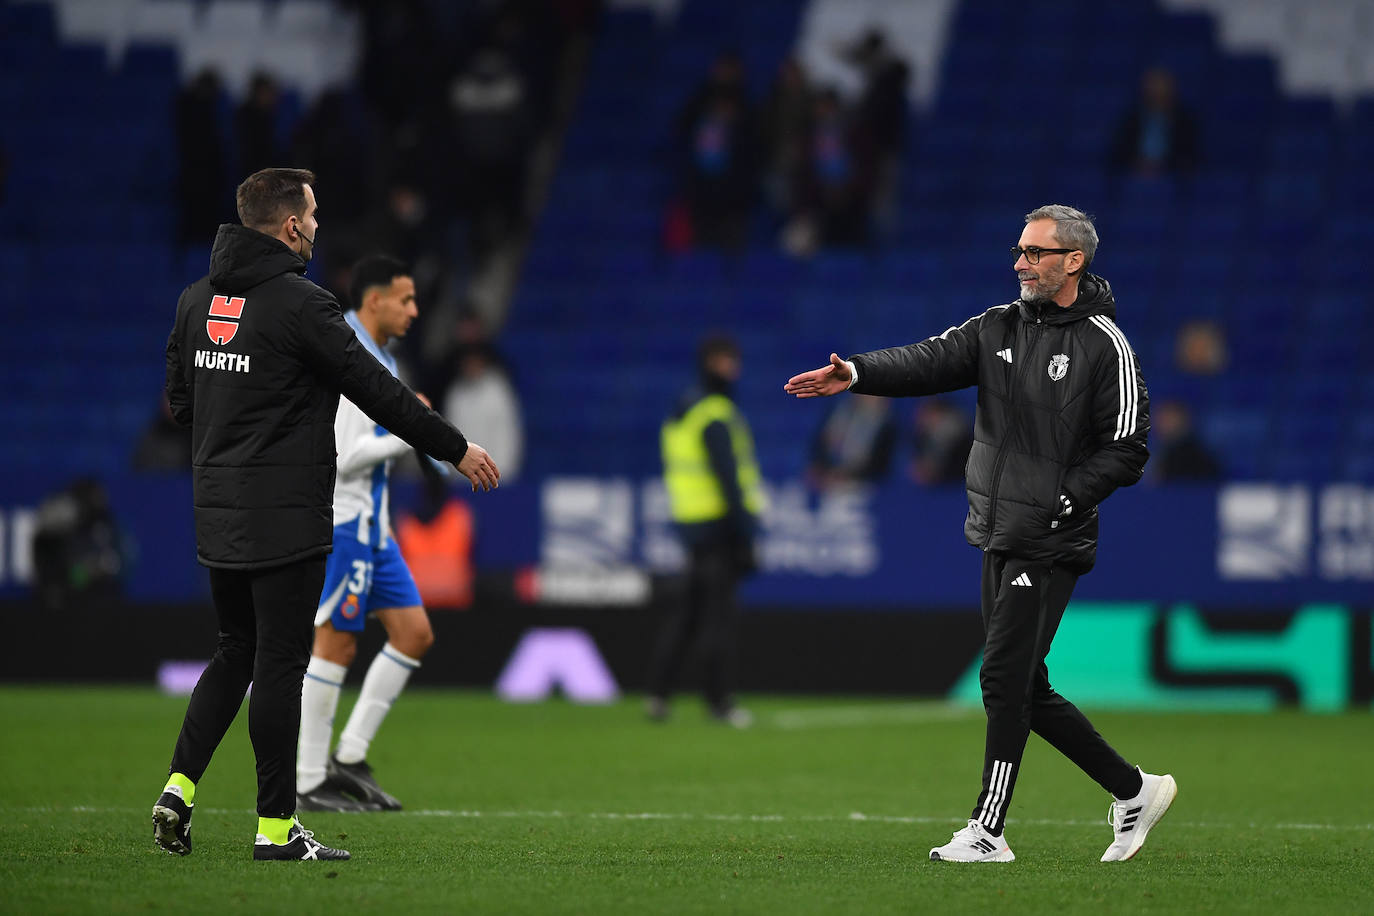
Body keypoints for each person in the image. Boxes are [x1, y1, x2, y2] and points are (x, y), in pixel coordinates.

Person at [784, 205, 1176, 863]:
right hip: (997, 528)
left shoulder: (1105, 345)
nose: (1020, 261)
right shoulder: (998, 325)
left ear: (1073, 260)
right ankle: (1134, 789)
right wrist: (854, 373)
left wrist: (1063, 499)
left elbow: (1128, 448)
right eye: (1019, 250)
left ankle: (988, 830)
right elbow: (929, 360)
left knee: (1001, 677)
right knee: (1024, 682)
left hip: (1049, 536)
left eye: (1035, 252)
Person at [155, 168, 500, 862]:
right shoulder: (302, 306)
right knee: (282, 663)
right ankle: (276, 830)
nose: (316, 225)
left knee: (234, 653)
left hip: (218, 512)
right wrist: (454, 447)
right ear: (289, 226)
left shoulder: (196, 301)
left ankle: (177, 791)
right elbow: (382, 394)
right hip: (285, 515)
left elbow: (181, 405)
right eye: (311, 215)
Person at [294, 254, 459, 812]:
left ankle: (349, 756)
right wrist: (412, 430)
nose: (415, 310)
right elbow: (342, 457)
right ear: (374, 301)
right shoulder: (347, 353)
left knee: (414, 633)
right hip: (344, 521)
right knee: (335, 642)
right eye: (405, 300)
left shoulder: (383, 357)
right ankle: (307, 779)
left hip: (374, 527)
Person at [649, 334, 764, 727]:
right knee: (717, 618)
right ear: (713, 363)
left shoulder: (682, 410)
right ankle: (719, 702)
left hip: (690, 525)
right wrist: (746, 533)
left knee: (689, 614)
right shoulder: (715, 413)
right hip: (719, 527)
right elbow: (730, 480)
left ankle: (658, 695)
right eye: (727, 361)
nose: (733, 369)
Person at [1108, 67, 1199, 177]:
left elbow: (1189, 153)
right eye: (1153, 85)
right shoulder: (1132, 118)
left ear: (1171, 88)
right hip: (1135, 173)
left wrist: (1163, 165)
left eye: (1162, 85)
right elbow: (1120, 149)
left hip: (1171, 173)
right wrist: (1138, 163)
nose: (1157, 90)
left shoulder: (1184, 119)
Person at [806, 392, 897, 489]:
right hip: (828, 476)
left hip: (861, 484)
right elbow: (820, 445)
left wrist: (847, 476)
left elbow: (880, 466)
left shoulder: (887, 426)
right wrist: (820, 468)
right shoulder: (840, 412)